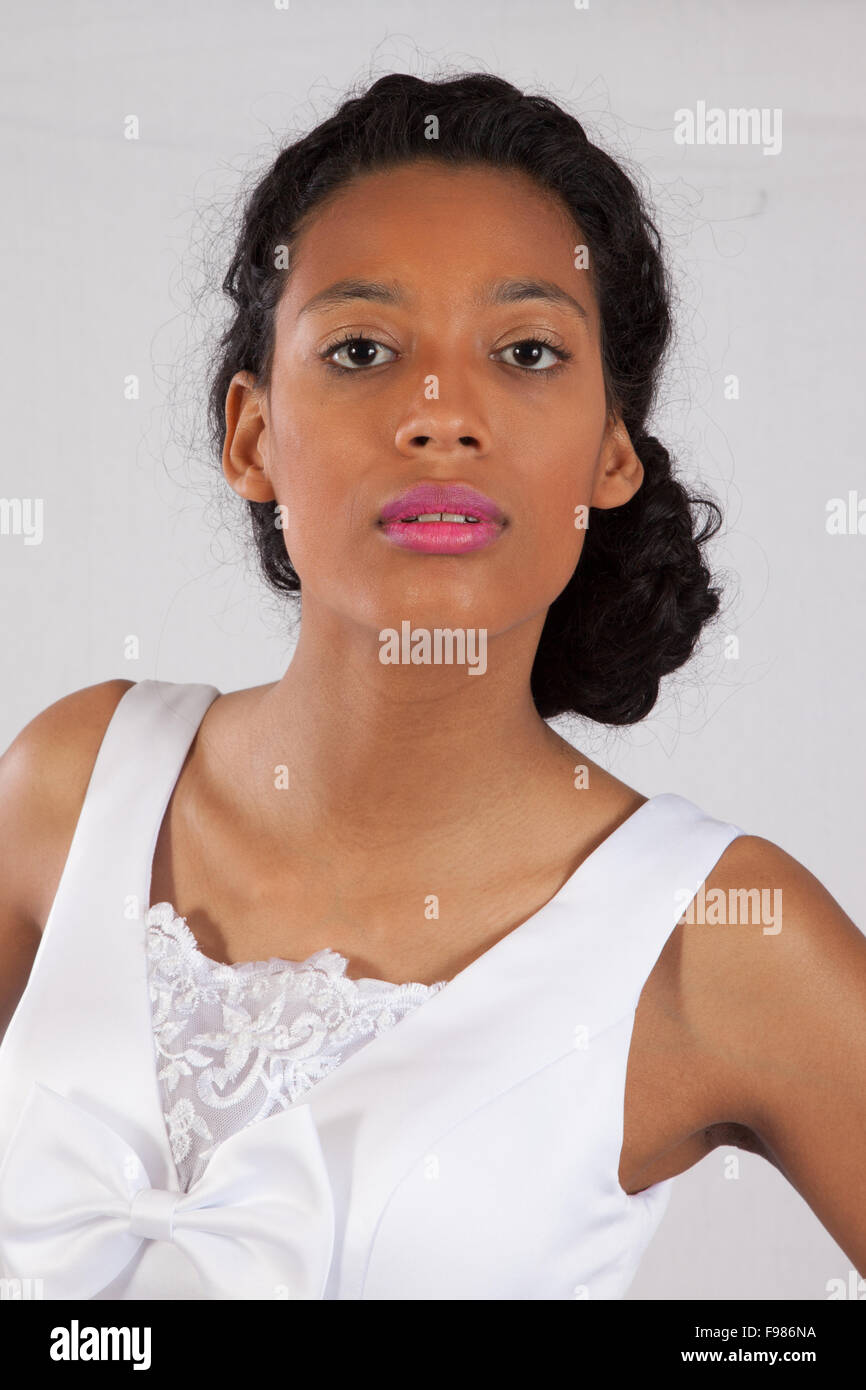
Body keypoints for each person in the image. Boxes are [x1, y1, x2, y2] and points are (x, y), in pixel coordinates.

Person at [0, 71, 863, 1301]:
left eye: (524, 351)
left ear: (610, 450)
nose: (439, 412)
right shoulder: (69, 787)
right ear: (251, 435)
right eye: (360, 348)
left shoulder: (712, 941)